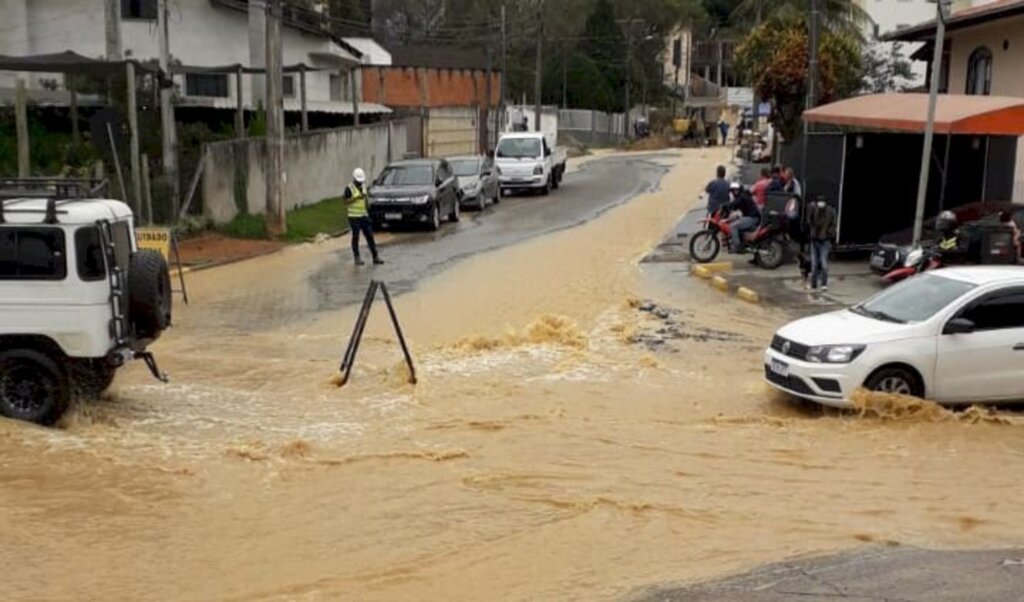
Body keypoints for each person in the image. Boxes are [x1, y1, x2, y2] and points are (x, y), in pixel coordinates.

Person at [343, 168, 383, 266]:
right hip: (353, 216)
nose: (360, 183)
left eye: (361, 181)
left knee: (370, 236)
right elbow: (344, 202)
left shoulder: (364, 187)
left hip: (364, 215)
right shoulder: (349, 188)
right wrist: (355, 198)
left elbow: (365, 199)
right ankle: (357, 257)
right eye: (358, 181)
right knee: (356, 237)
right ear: (354, 179)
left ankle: (375, 256)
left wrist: (367, 206)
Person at [807, 195, 837, 292]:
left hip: (825, 241)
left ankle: (824, 284)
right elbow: (809, 221)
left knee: (824, 263)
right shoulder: (813, 210)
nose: (820, 204)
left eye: (822, 202)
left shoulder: (831, 211)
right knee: (814, 264)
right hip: (814, 240)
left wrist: (829, 233)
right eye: (819, 202)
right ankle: (814, 284)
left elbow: (833, 224)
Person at [726, 182, 761, 253]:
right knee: (735, 221)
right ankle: (742, 242)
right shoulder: (744, 195)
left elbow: (734, 203)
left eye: (735, 190)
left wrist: (725, 206)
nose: (734, 192)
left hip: (752, 218)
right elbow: (735, 206)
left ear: (739, 190)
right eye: (733, 191)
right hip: (751, 217)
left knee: (733, 226)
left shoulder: (742, 196)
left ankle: (737, 246)